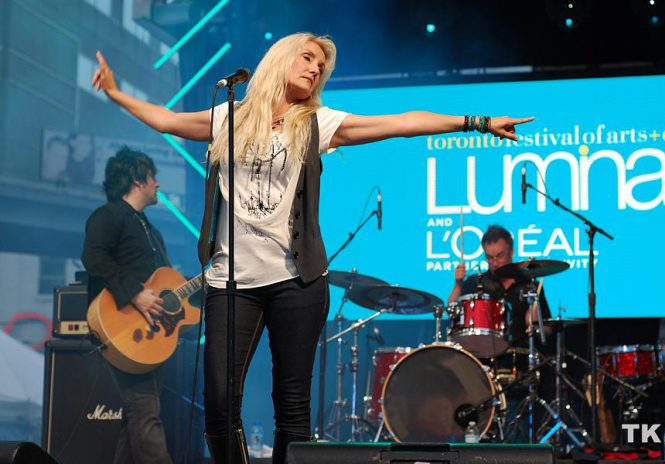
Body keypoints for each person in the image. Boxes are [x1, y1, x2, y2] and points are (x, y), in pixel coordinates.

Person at [90, 32, 534, 463]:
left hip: (295, 282)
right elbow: (167, 120)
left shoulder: (315, 124)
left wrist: (478, 123)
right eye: (307, 57)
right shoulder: (228, 117)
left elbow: (400, 124)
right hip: (230, 282)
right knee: (220, 404)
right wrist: (113, 93)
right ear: (280, 60)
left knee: (292, 405)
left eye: (320, 65)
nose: (315, 67)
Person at [82, 147, 173, 464]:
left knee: (135, 419)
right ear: (138, 179)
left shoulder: (151, 230)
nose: (158, 184)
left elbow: (164, 285)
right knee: (146, 412)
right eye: (153, 177)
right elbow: (94, 258)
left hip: (148, 337)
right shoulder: (108, 216)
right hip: (123, 332)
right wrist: (135, 294)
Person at [447, 224, 552, 442]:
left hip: (519, 361)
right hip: (484, 360)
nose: (495, 262)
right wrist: (458, 284)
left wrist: (534, 321)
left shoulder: (529, 283)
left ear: (512, 252)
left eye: (501, 256)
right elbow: (452, 312)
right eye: (490, 257)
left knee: (517, 424)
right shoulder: (477, 283)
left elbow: (547, 329)